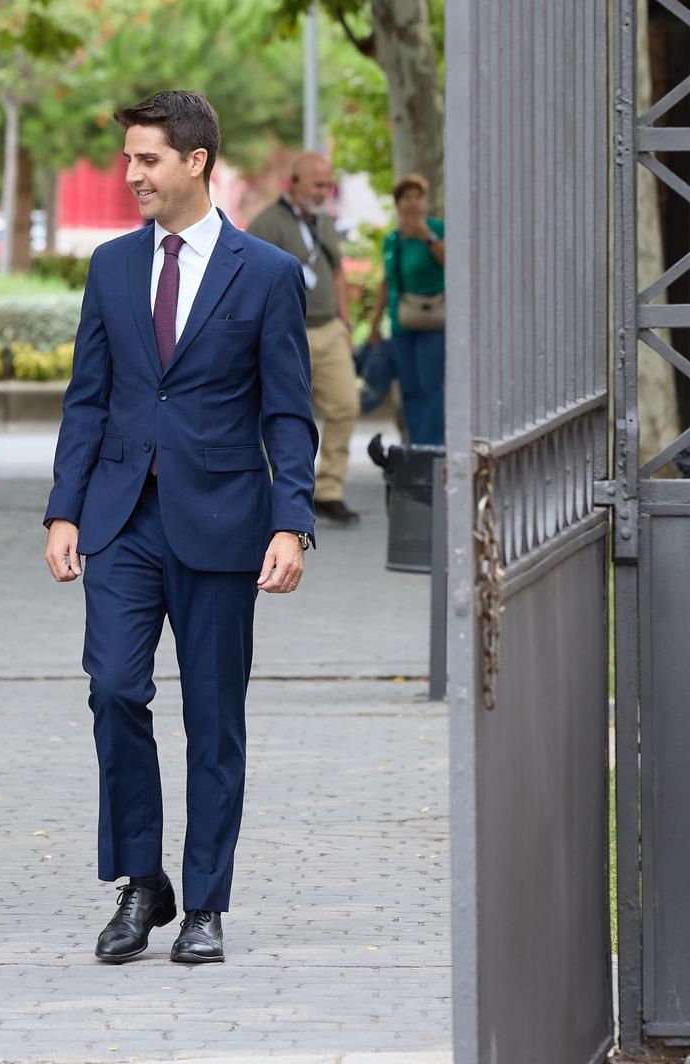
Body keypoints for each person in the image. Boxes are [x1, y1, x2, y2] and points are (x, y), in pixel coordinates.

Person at [42, 92, 317, 965]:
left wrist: (292, 522)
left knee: (214, 717)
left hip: (225, 523)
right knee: (115, 691)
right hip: (122, 519)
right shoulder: (112, 266)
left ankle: (204, 903)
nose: (131, 174)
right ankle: (142, 882)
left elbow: (288, 413)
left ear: (196, 161)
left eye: (147, 159)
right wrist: (63, 508)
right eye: (128, 158)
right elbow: (87, 399)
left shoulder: (266, 273)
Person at [246, 152, 360, 524]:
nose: (324, 192)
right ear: (293, 183)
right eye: (317, 185)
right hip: (287, 333)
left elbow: (338, 274)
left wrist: (345, 324)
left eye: (328, 185)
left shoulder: (323, 221)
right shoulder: (268, 223)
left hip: (328, 329)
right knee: (284, 415)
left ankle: (328, 489)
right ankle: (279, 492)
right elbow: (251, 279)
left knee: (345, 404)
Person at [366, 174, 446, 446]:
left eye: (418, 197)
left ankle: (432, 448)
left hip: (433, 322)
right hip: (402, 324)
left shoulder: (438, 229)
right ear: (398, 204)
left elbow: (449, 262)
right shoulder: (393, 239)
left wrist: (427, 237)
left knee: (430, 388)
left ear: (426, 201)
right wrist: (375, 323)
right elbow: (387, 281)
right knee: (408, 390)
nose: (412, 203)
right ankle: (413, 446)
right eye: (406, 198)